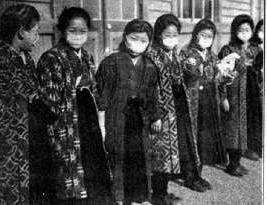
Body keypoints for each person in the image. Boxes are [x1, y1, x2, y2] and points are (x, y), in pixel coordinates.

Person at [36, 7, 111, 205]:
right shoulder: (50, 58)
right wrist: (73, 85)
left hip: (88, 115)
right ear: (62, 30)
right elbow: (47, 99)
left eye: (82, 31)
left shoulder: (86, 56)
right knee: (69, 165)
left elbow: (94, 88)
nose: (78, 35)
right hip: (65, 119)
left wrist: (101, 118)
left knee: (91, 160)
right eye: (73, 30)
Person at [0, 4, 40, 205]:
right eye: (35, 32)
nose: (37, 38)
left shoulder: (26, 59)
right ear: (21, 32)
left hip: (26, 144)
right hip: (4, 147)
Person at [96, 19, 160, 205]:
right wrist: (101, 122)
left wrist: (155, 116)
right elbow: (102, 93)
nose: (138, 43)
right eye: (134, 38)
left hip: (139, 118)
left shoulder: (149, 65)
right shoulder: (111, 63)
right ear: (125, 38)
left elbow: (153, 94)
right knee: (118, 156)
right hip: (116, 117)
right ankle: (118, 198)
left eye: (143, 40)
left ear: (149, 42)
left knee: (138, 157)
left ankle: (138, 197)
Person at [179, 18, 227, 191]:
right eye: (203, 35)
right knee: (192, 138)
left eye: (210, 36)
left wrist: (225, 76)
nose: (206, 39)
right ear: (195, 35)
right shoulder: (186, 53)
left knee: (204, 139)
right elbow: (182, 77)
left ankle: (198, 174)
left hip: (208, 101)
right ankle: (189, 176)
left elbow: (218, 79)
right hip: (192, 102)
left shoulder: (213, 56)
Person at [146, 13, 185, 203]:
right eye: (167, 34)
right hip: (160, 112)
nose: (171, 38)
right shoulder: (152, 56)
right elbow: (150, 89)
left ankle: (164, 191)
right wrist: (155, 115)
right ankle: (158, 194)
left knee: (170, 153)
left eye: (175, 34)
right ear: (159, 34)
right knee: (160, 153)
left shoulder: (174, 54)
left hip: (173, 110)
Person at [218, 14, 260, 176]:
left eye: (247, 30)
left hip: (245, 97)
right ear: (234, 31)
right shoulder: (228, 50)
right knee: (232, 129)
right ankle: (231, 164)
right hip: (233, 96)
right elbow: (221, 77)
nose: (244, 32)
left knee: (242, 129)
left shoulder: (248, 50)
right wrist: (223, 98)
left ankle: (238, 161)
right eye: (240, 29)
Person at [245, 19, 264, 159]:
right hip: (256, 86)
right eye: (262, 29)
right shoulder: (252, 47)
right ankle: (252, 147)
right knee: (255, 116)